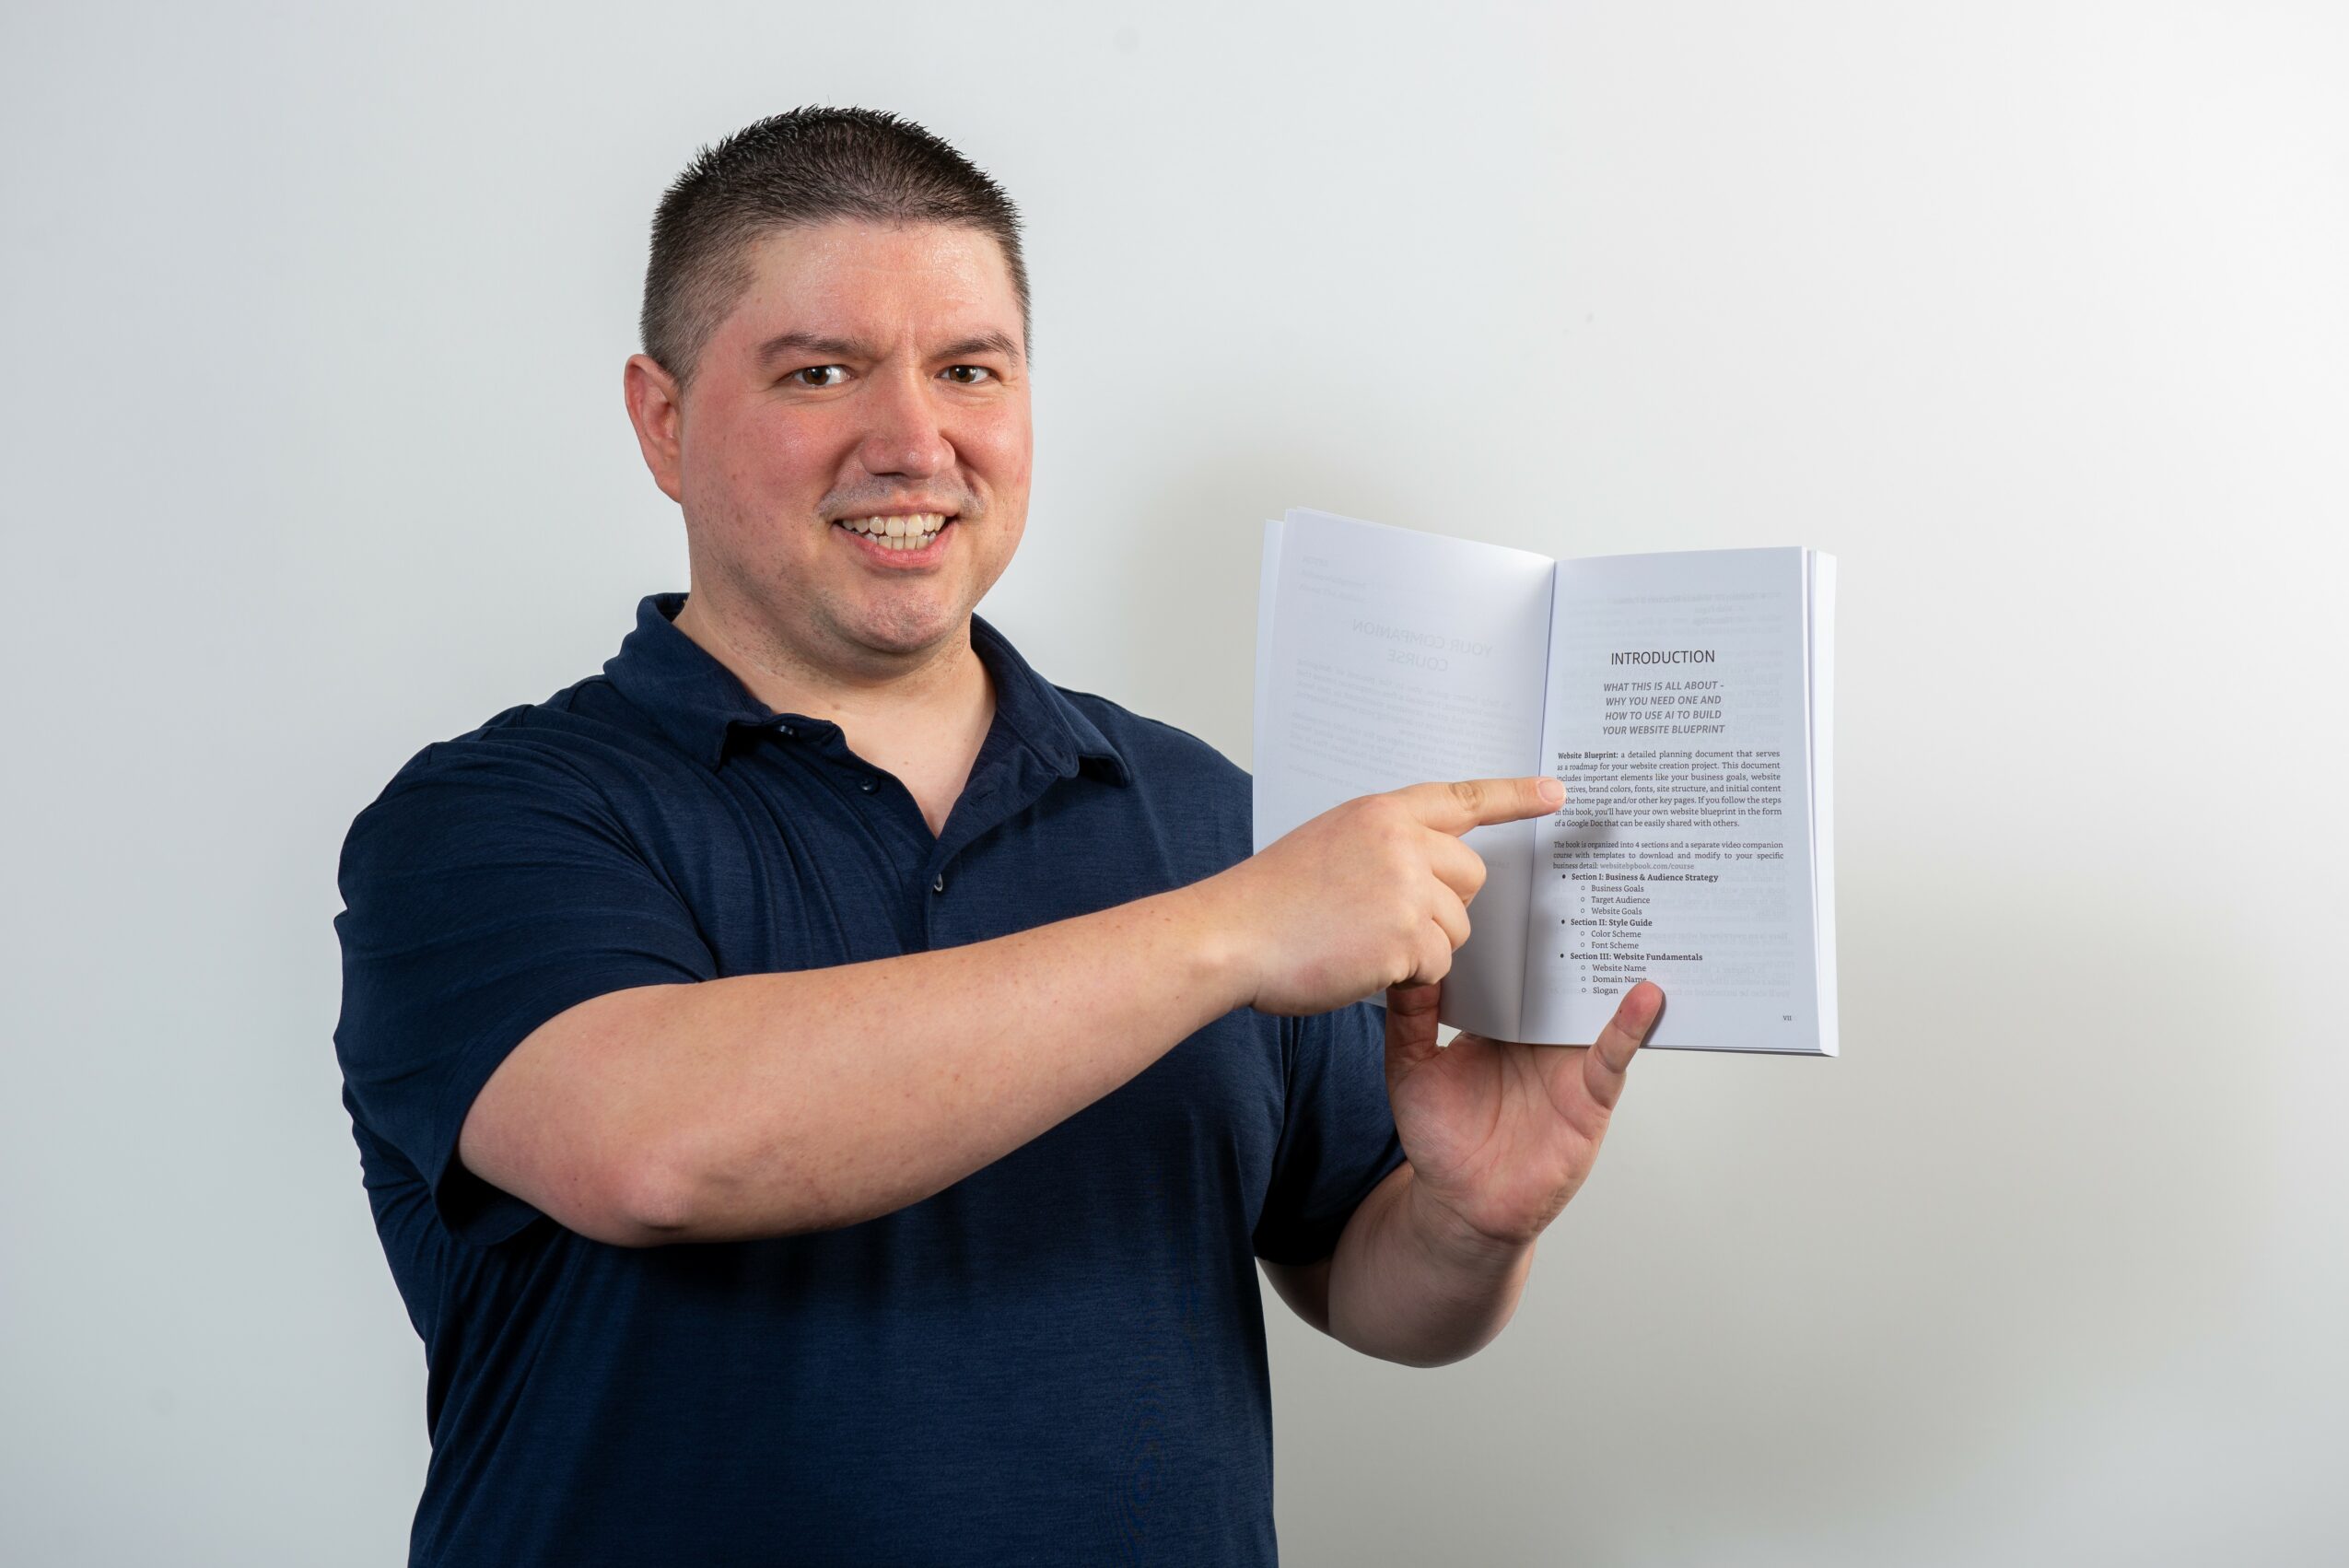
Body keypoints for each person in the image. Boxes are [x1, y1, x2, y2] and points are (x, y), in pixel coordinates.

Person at [332, 106, 1664, 1567]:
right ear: (662, 419)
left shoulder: (1207, 814)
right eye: (820, 372)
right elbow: (662, 1151)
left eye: (970, 370)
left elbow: (1366, 1288)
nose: (914, 444)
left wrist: (1471, 1223)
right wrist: (1230, 931)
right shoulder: (490, 819)